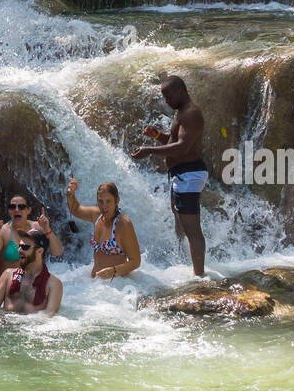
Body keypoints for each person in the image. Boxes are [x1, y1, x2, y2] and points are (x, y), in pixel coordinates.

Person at [130, 75, 209, 276]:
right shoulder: (181, 112)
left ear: (181, 90)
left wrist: (148, 150)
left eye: (169, 96)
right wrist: (157, 136)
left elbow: (183, 147)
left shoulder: (190, 113)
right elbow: (174, 140)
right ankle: (185, 266)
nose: (166, 101)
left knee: (192, 230)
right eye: (164, 97)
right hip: (181, 175)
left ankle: (199, 277)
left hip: (189, 174)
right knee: (180, 222)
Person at [66, 178, 141, 280]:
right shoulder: (96, 215)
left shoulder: (123, 225)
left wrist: (113, 271)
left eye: (108, 201)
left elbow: (136, 261)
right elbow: (75, 210)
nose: (104, 206)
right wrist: (71, 195)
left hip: (117, 286)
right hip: (96, 285)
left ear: (117, 201)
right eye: (100, 201)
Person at [0, 228, 62, 317]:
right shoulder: (7, 275)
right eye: (19, 246)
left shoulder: (53, 284)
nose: (19, 250)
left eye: (25, 247)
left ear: (40, 251)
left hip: (33, 328)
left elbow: (49, 316)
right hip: (6, 325)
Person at [0, 193, 62, 277]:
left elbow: (57, 252)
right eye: (12, 207)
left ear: (28, 210)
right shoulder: (3, 231)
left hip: (34, 284)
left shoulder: (38, 227)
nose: (16, 210)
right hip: (9, 286)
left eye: (21, 207)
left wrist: (47, 229)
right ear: (9, 211)